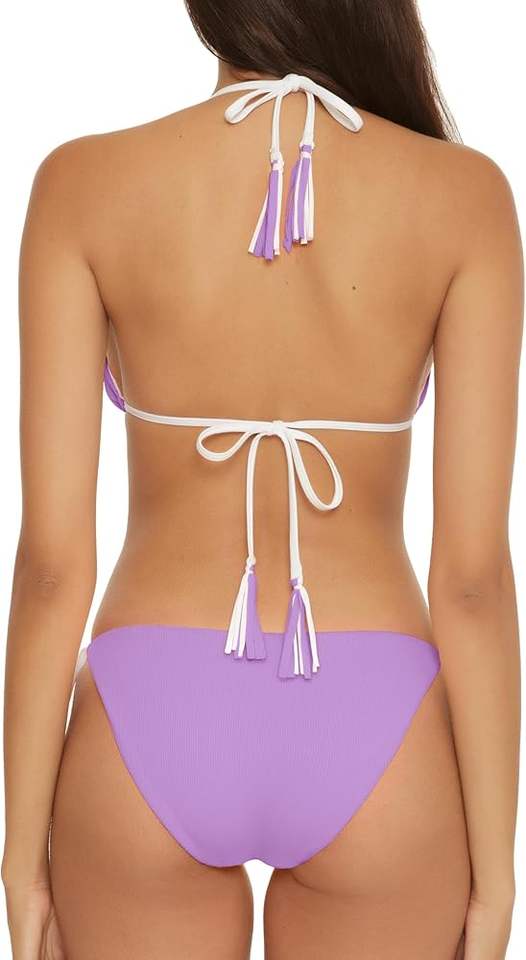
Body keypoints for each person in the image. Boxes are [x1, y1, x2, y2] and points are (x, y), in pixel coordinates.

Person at [2, 1, 522, 957]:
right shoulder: (465, 198)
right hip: (377, 723)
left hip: (149, 710)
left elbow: (49, 568)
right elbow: (474, 581)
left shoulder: (82, 185)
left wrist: (21, 860)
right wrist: (499, 874)